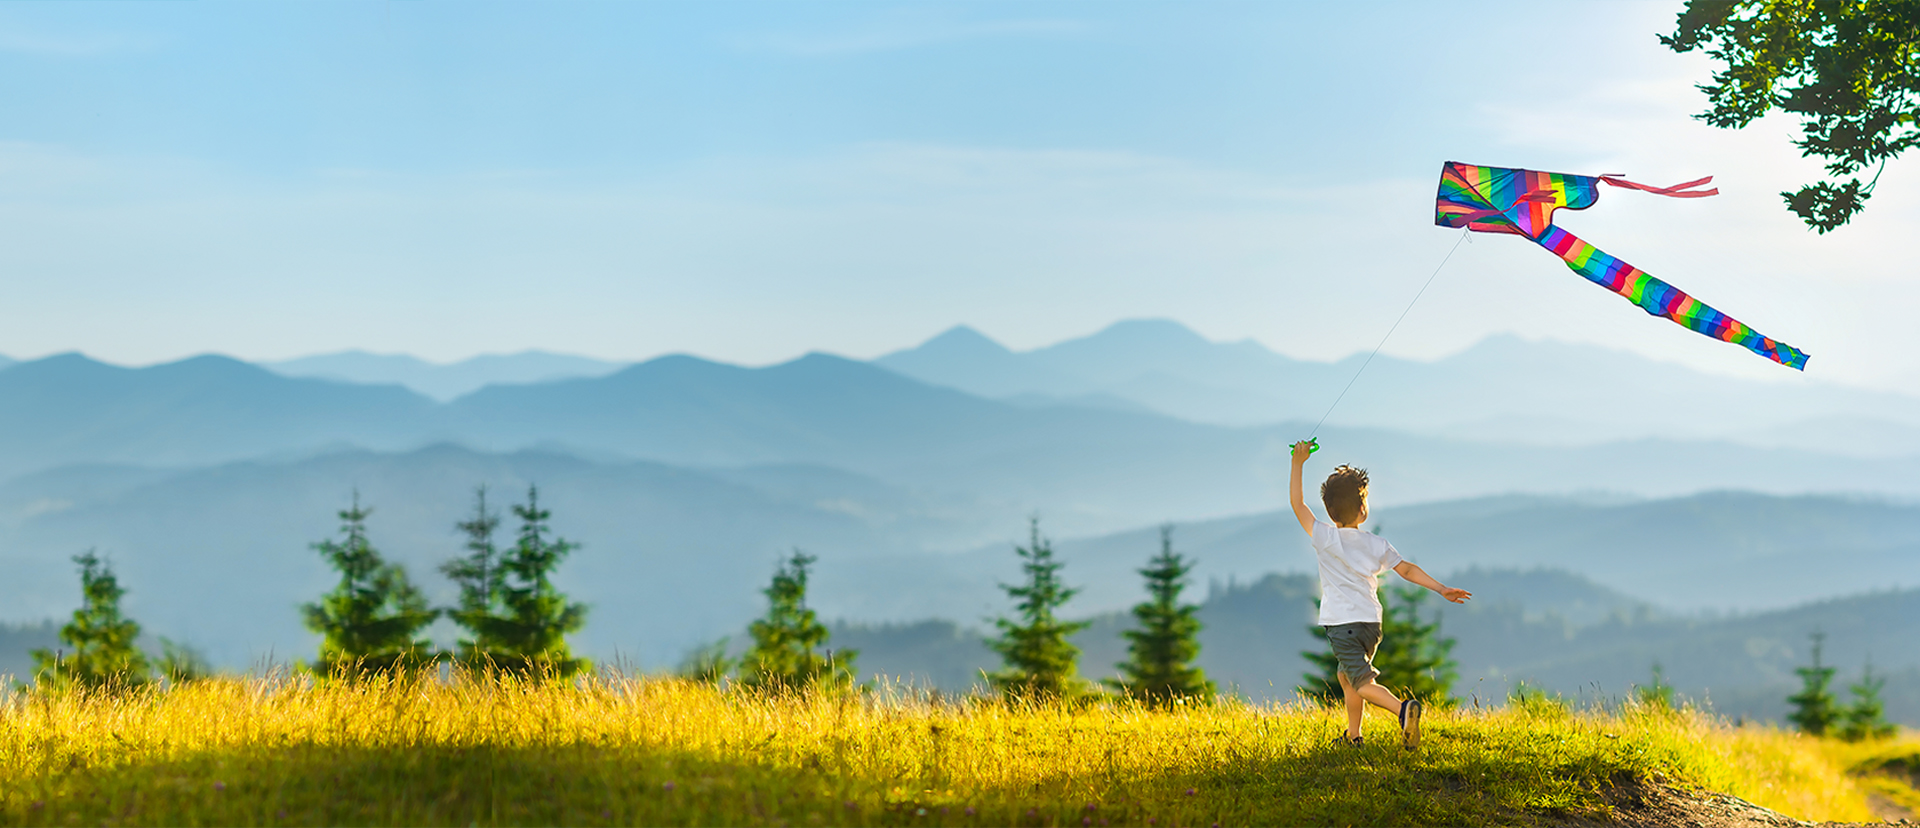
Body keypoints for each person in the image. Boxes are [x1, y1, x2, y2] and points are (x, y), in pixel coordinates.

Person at [1289, 439, 1470, 749]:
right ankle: (1354, 737)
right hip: (1371, 625)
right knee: (1347, 678)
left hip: (1342, 625)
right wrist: (1441, 589)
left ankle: (1403, 711)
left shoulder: (1325, 537)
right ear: (1363, 509)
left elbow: (1297, 504)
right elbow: (1408, 570)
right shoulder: (1377, 545)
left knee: (1362, 683)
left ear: (1331, 512)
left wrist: (1298, 462)